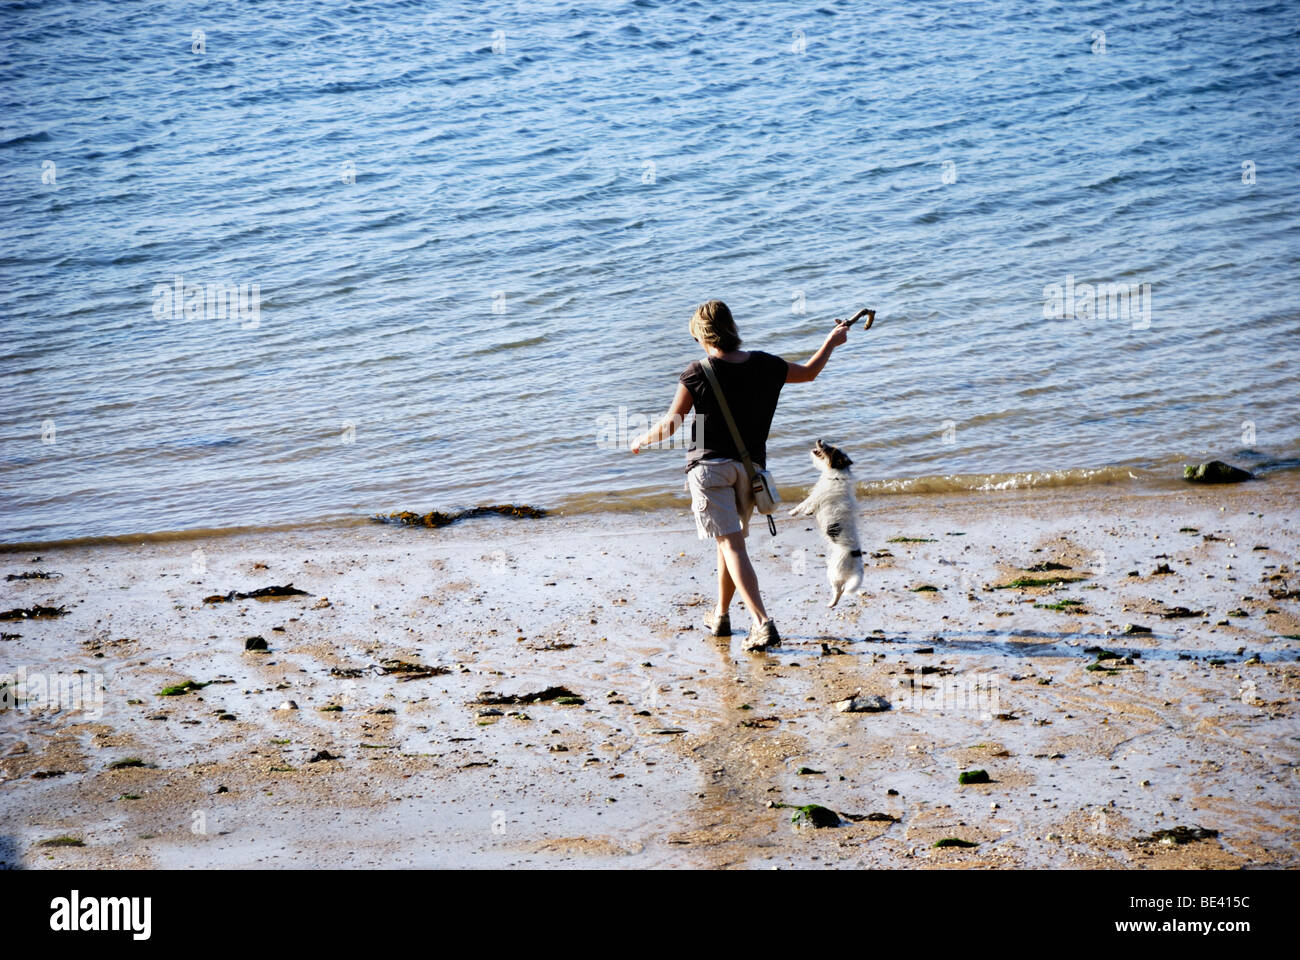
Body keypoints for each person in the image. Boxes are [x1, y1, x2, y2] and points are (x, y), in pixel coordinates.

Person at [631, 299, 854, 651]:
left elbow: (671, 424)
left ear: (704, 337)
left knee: (731, 545)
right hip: (750, 473)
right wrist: (832, 340)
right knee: (730, 544)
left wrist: (642, 438)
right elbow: (811, 372)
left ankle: (762, 623)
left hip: (710, 470)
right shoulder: (766, 364)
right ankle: (720, 615)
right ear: (731, 328)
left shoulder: (697, 372)